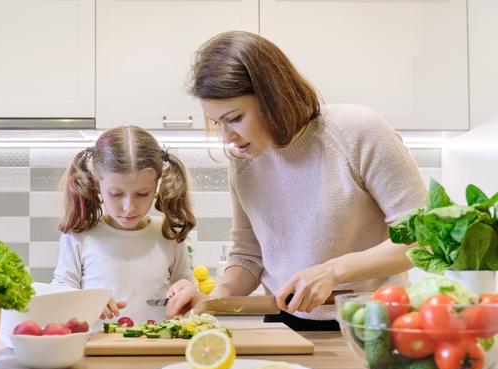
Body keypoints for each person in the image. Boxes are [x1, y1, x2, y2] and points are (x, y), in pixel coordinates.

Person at [165, 31, 427, 331]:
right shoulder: (243, 162)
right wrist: (212, 299)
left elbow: (422, 240)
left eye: (235, 118)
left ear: (272, 97)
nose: (227, 137)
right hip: (284, 325)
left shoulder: (358, 131)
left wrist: (333, 271)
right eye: (216, 123)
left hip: (372, 322)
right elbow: (249, 256)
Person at [51, 125, 197, 322]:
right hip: (94, 348)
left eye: (142, 194)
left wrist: (186, 290)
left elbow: (187, 286)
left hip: (157, 349)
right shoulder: (79, 236)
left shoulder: (167, 234)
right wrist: (86, 301)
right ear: (97, 184)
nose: (129, 207)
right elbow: (59, 294)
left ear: (157, 184)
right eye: (116, 194)